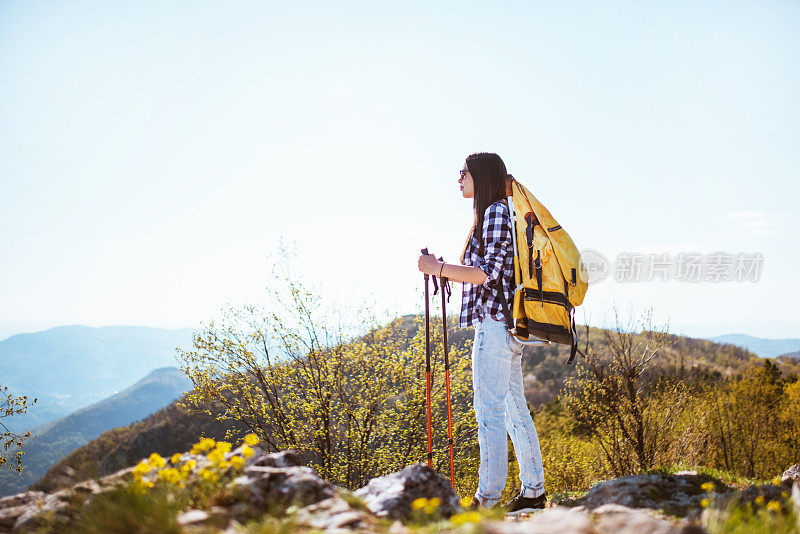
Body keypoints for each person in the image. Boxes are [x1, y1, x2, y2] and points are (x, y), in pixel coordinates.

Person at [417, 152, 547, 515]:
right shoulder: (505, 213)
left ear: (482, 176)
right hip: (510, 325)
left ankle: (487, 498)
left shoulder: (492, 214)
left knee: (488, 409)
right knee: (512, 407)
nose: (459, 178)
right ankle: (533, 491)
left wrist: (437, 268)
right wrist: (444, 268)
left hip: (493, 323)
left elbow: (486, 272)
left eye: (465, 172)